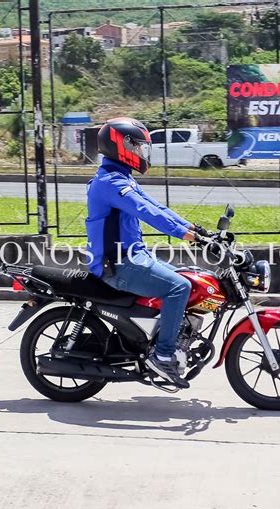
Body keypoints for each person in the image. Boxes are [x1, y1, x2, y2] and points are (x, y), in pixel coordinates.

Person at [85, 117, 208, 389]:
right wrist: (187, 236)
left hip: (135, 257)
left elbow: (157, 207)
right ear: (122, 146)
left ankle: (167, 338)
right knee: (179, 288)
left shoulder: (120, 178)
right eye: (139, 147)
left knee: (196, 278)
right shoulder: (110, 183)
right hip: (118, 265)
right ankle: (162, 355)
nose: (143, 153)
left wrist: (196, 230)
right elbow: (147, 213)